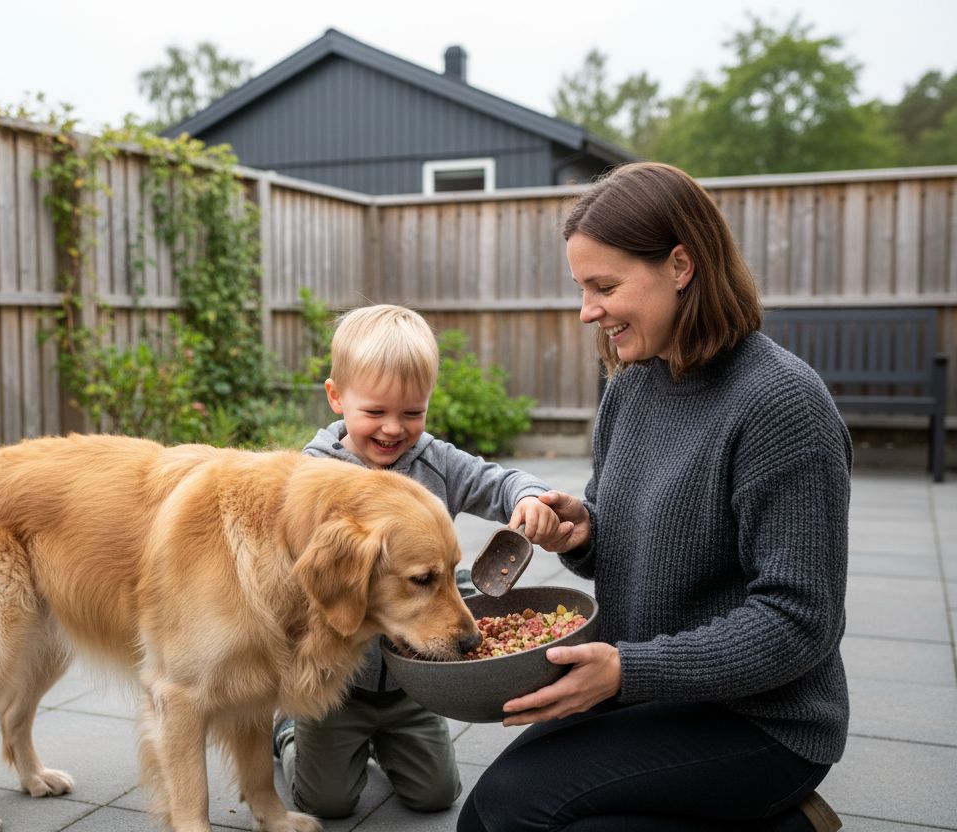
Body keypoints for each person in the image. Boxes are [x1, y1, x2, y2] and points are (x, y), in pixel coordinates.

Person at [456, 161, 850, 832]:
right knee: (485, 821)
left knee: (517, 816)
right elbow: (643, 536)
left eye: (604, 286)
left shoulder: (782, 406)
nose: (587, 311)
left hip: (760, 721)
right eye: (582, 288)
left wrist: (625, 672)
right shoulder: (631, 387)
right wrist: (586, 532)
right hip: (650, 688)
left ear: (680, 265)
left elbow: (798, 621)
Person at [273, 303, 563, 818]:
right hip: (335, 688)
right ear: (336, 397)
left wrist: (530, 497)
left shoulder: (436, 462)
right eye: (375, 412)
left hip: (415, 685)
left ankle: (389, 743)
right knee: (328, 803)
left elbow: (498, 481)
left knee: (437, 795)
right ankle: (290, 733)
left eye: (412, 412)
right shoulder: (314, 478)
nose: (393, 429)